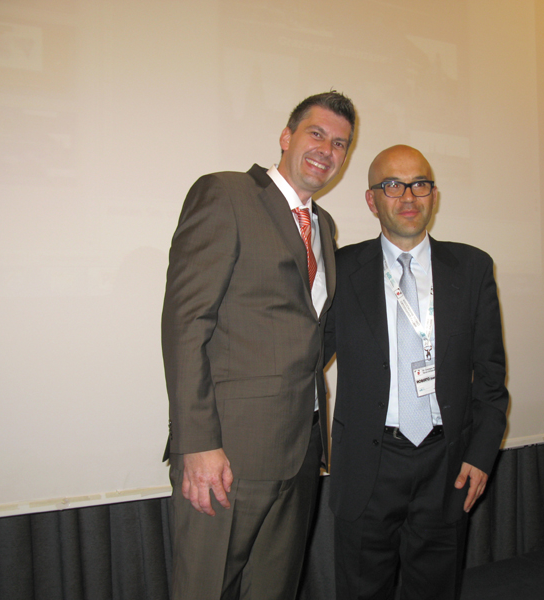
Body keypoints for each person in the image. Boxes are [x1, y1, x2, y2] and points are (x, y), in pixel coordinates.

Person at [161, 91, 356, 600]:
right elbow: (186, 322)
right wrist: (197, 442)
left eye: (340, 143)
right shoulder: (227, 194)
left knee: (274, 589)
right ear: (287, 137)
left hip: (301, 447)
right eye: (317, 134)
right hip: (229, 450)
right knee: (207, 587)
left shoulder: (324, 226)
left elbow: (309, 332)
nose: (327, 150)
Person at [325, 145, 509, 600]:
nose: (408, 196)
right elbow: (303, 357)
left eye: (419, 184)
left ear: (434, 195)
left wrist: (482, 454)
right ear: (372, 201)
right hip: (368, 464)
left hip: (446, 464)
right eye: (393, 185)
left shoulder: (472, 268)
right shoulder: (341, 269)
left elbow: (491, 377)